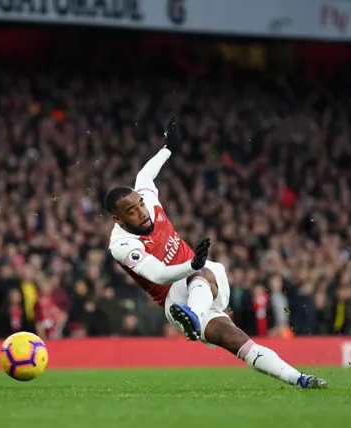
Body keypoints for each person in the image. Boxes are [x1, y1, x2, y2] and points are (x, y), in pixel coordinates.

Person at [105, 112, 327, 389]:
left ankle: (297, 377)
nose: (142, 211)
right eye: (132, 211)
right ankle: (299, 378)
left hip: (202, 291)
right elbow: (160, 276)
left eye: (139, 203)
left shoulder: (148, 200)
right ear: (118, 219)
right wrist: (193, 264)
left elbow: (144, 176)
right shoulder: (122, 245)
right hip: (177, 301)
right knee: (216, 300)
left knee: (220, 303)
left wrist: (168, 148)